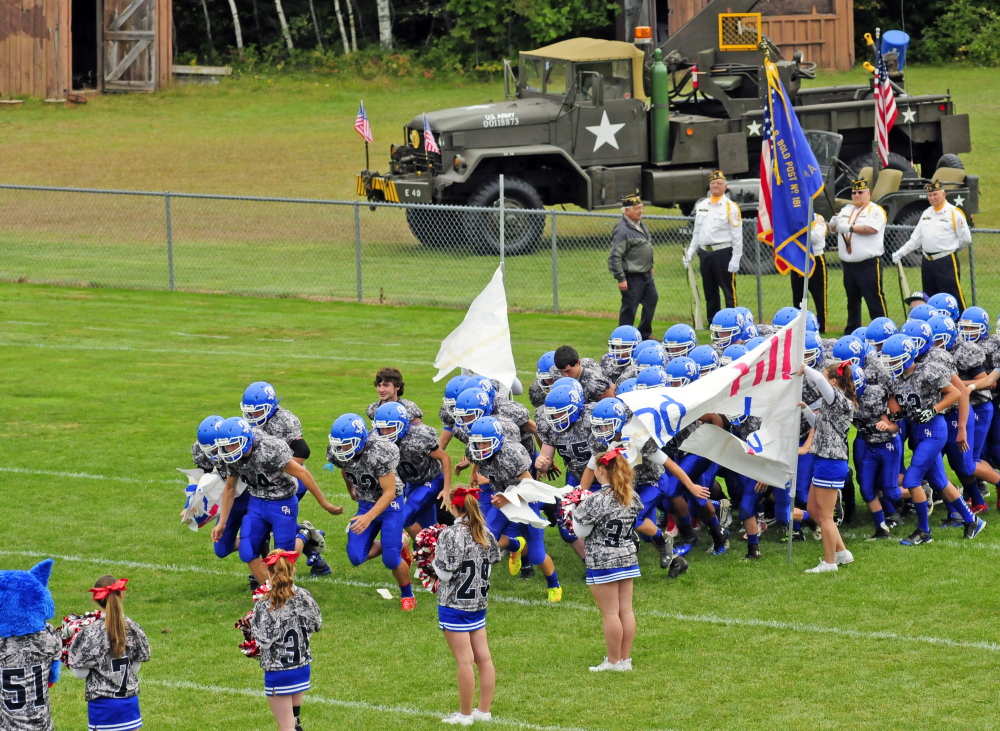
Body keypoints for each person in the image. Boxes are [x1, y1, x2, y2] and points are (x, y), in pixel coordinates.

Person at [214, 418, 343, 589]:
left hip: (282, 502)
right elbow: (230, 488)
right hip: (257, 502)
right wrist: (222, 522)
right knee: (247, 551)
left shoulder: (270, 448)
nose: (229, 450)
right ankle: (270, 592)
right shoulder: (231, 456)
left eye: (232, 444)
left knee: (282, 559)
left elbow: (303, 474)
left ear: (246, 440)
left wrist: (325, 504)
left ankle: (303, 536)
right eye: (226, 446)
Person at [881, 334, 986, 545]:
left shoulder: (928, 369)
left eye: (894, 360)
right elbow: (898, 403)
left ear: (908, 356)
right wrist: (896, 413)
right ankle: (972, 520)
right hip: (918, 430)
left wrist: (934, 409)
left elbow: (956, 392)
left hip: (934, 430)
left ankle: (924, 531)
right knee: (939, 481)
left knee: (912, 480)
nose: (891, 365)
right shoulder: (896, 378)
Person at [328, 413, 416, 611]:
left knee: (391, 558)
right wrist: (350, 488)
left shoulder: (380, 451)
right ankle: (396, 541)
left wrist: (368, 517)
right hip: (366, 503)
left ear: (360, 441)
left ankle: (407, 595)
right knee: (356, 557)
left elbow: (390, 492)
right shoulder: (341, 451)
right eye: (339, 445)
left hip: (390, 504)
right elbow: (345, 467)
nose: (341, 449)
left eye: (346, 444)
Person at [433, 485, 500, 726]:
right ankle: (484, 710)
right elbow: (494, 558)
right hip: (478, 602)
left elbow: (445, 571)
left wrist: (431, 558)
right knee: (484, 657)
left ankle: (464, 715)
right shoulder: (483, 529)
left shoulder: (451, 534)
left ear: (454, 506)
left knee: (464, 660)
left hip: (455, 604)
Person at [573, 447, 643, 672]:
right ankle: (625, 659)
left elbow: (580, 531)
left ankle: (613, 661)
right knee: (626, 611)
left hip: (603, 560)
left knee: (611, 613)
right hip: (628, 556)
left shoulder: (597, 499)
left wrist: (572, 507)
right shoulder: (632, 495)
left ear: (601, 470)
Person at [251, 551, 322, 731]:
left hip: (278, 671)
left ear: (269, 573)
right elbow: (317, 624)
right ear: (292, 570)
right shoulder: (304, 596)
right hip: (302, 667)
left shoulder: (264, 602)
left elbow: (264, 640)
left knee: (286, 728)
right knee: (295, 724)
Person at [68, 576, 151, 731]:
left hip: (103, 708)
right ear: (120, 595)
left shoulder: (90, 633)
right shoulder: (133, 627)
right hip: (129, 705)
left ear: (95, 600)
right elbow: (135, 668)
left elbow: (80, 673)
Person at [800, 363, 857, 572]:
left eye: (826, 378)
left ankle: (830, 563)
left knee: (825, 517)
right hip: (823, 461)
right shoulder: (830, 402)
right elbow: (817, 424)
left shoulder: (839, 399)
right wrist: (805, 409)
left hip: (831, 462)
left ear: (833, 381)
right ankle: (842, 553)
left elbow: (820, 380)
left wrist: (804, 367)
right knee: (813, 509)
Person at [372, 402, 451, 537]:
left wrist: (446, 488)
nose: (384, 433)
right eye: (381, 428)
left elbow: (444, 458)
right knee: (427, 524)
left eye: (389, 428)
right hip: (411, 483)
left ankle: (427, 548)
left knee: (405, 516)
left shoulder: (418, 437)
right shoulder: (376, 438)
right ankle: (431, 551)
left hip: (431, 480)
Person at [891, 181, 971, 309]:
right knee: (930, 297)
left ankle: (960, 324)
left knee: (952, 296)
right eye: (930, 195)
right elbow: (916, 239)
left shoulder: (953, 213)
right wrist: (902, 252)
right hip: (927, 262)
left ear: (943, 194)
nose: (932, 198)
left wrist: (951, 249)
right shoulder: (927, 213)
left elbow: (965, 239)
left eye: (935, 194)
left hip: (945, 261)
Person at [830, 178, 888, 332]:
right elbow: (834, 229)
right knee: (852, 300)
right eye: (854, 192)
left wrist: (849, 227)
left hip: (868, 264)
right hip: (849, 265)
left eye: (860, 192)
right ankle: (852, 330)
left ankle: (882, 329)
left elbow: (871, 229)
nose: (856, 195)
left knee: (874, 298)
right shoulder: (846, 210)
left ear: (868, 193)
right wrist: (833, 225)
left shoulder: (875, 211)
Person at [683, 170, 742, 321]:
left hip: (723, 252)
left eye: (719, 183)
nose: (715, 186)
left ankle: (732, 321)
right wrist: (690, 252)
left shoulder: (730, 207)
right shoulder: (702, 205)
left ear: (725, 186)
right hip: (705, 253)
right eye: (713, 183)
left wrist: (736, 258)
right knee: (709, 291)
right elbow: (697, 232)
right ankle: (713, 323)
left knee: (728, 291)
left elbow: (737, 236)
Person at [608, 191, 657, 340]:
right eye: (637, 209)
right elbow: (615, 256)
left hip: (646, 273)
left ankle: (644, 333)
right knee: (630, 308)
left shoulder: (639, 224)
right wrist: (621, 278)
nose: (641, 211)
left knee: (652, 300)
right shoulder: (622, 231)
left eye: (641, 207)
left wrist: (649, 265)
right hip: (632, 276)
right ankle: (624, 338)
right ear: (627, 211)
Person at [789, 213, 830, 333]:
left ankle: (822, 327)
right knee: (798, 295)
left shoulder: (818, 218)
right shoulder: (794, 217)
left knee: (819, 295)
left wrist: (799, 230)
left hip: (815, 258)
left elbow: (816, 238)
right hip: (798, 258)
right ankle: (798, 326)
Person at [550, 345, 615, 403]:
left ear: (578, 363)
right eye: (562, 372)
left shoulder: (594, 382)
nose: (565, 375)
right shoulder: (555, 372)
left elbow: (610, 402)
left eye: (568, 371)